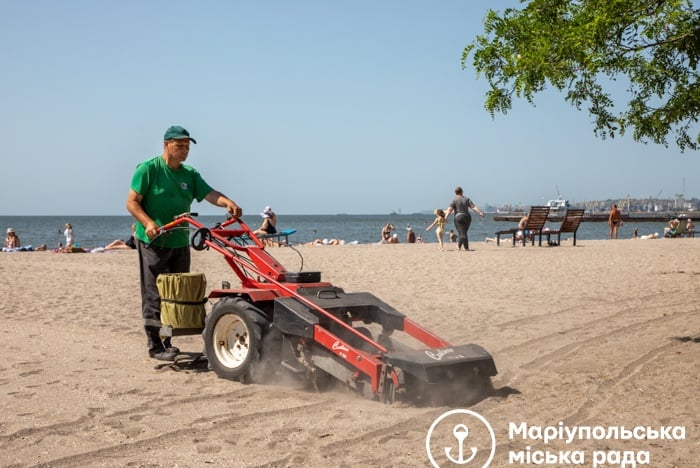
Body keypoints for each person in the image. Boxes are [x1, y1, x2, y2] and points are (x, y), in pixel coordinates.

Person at [126, 125, 243, 362]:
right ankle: (155, 345)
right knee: (154, 290)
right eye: (179, 146)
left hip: (179, 239)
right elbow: (132, 202)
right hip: (152, 240)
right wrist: (148, 223)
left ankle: (168, 339)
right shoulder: (148, 169)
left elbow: (209, 193)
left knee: (177, 291)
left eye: (187, 147)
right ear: (166, 145)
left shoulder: (189, 174)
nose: (184, 151)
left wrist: (226, 202)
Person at [443, 186, 485, 251]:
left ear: (455, 193)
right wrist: (480, 212)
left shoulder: (454, 200)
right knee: (463, 232)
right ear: (462, 192)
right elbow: (473, 207)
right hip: (467, 217)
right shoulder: (467, 199)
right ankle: (458, 246)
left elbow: (450, 209)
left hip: (458, 217)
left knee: (462, 233)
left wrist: (446, 217)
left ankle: (466, 248)